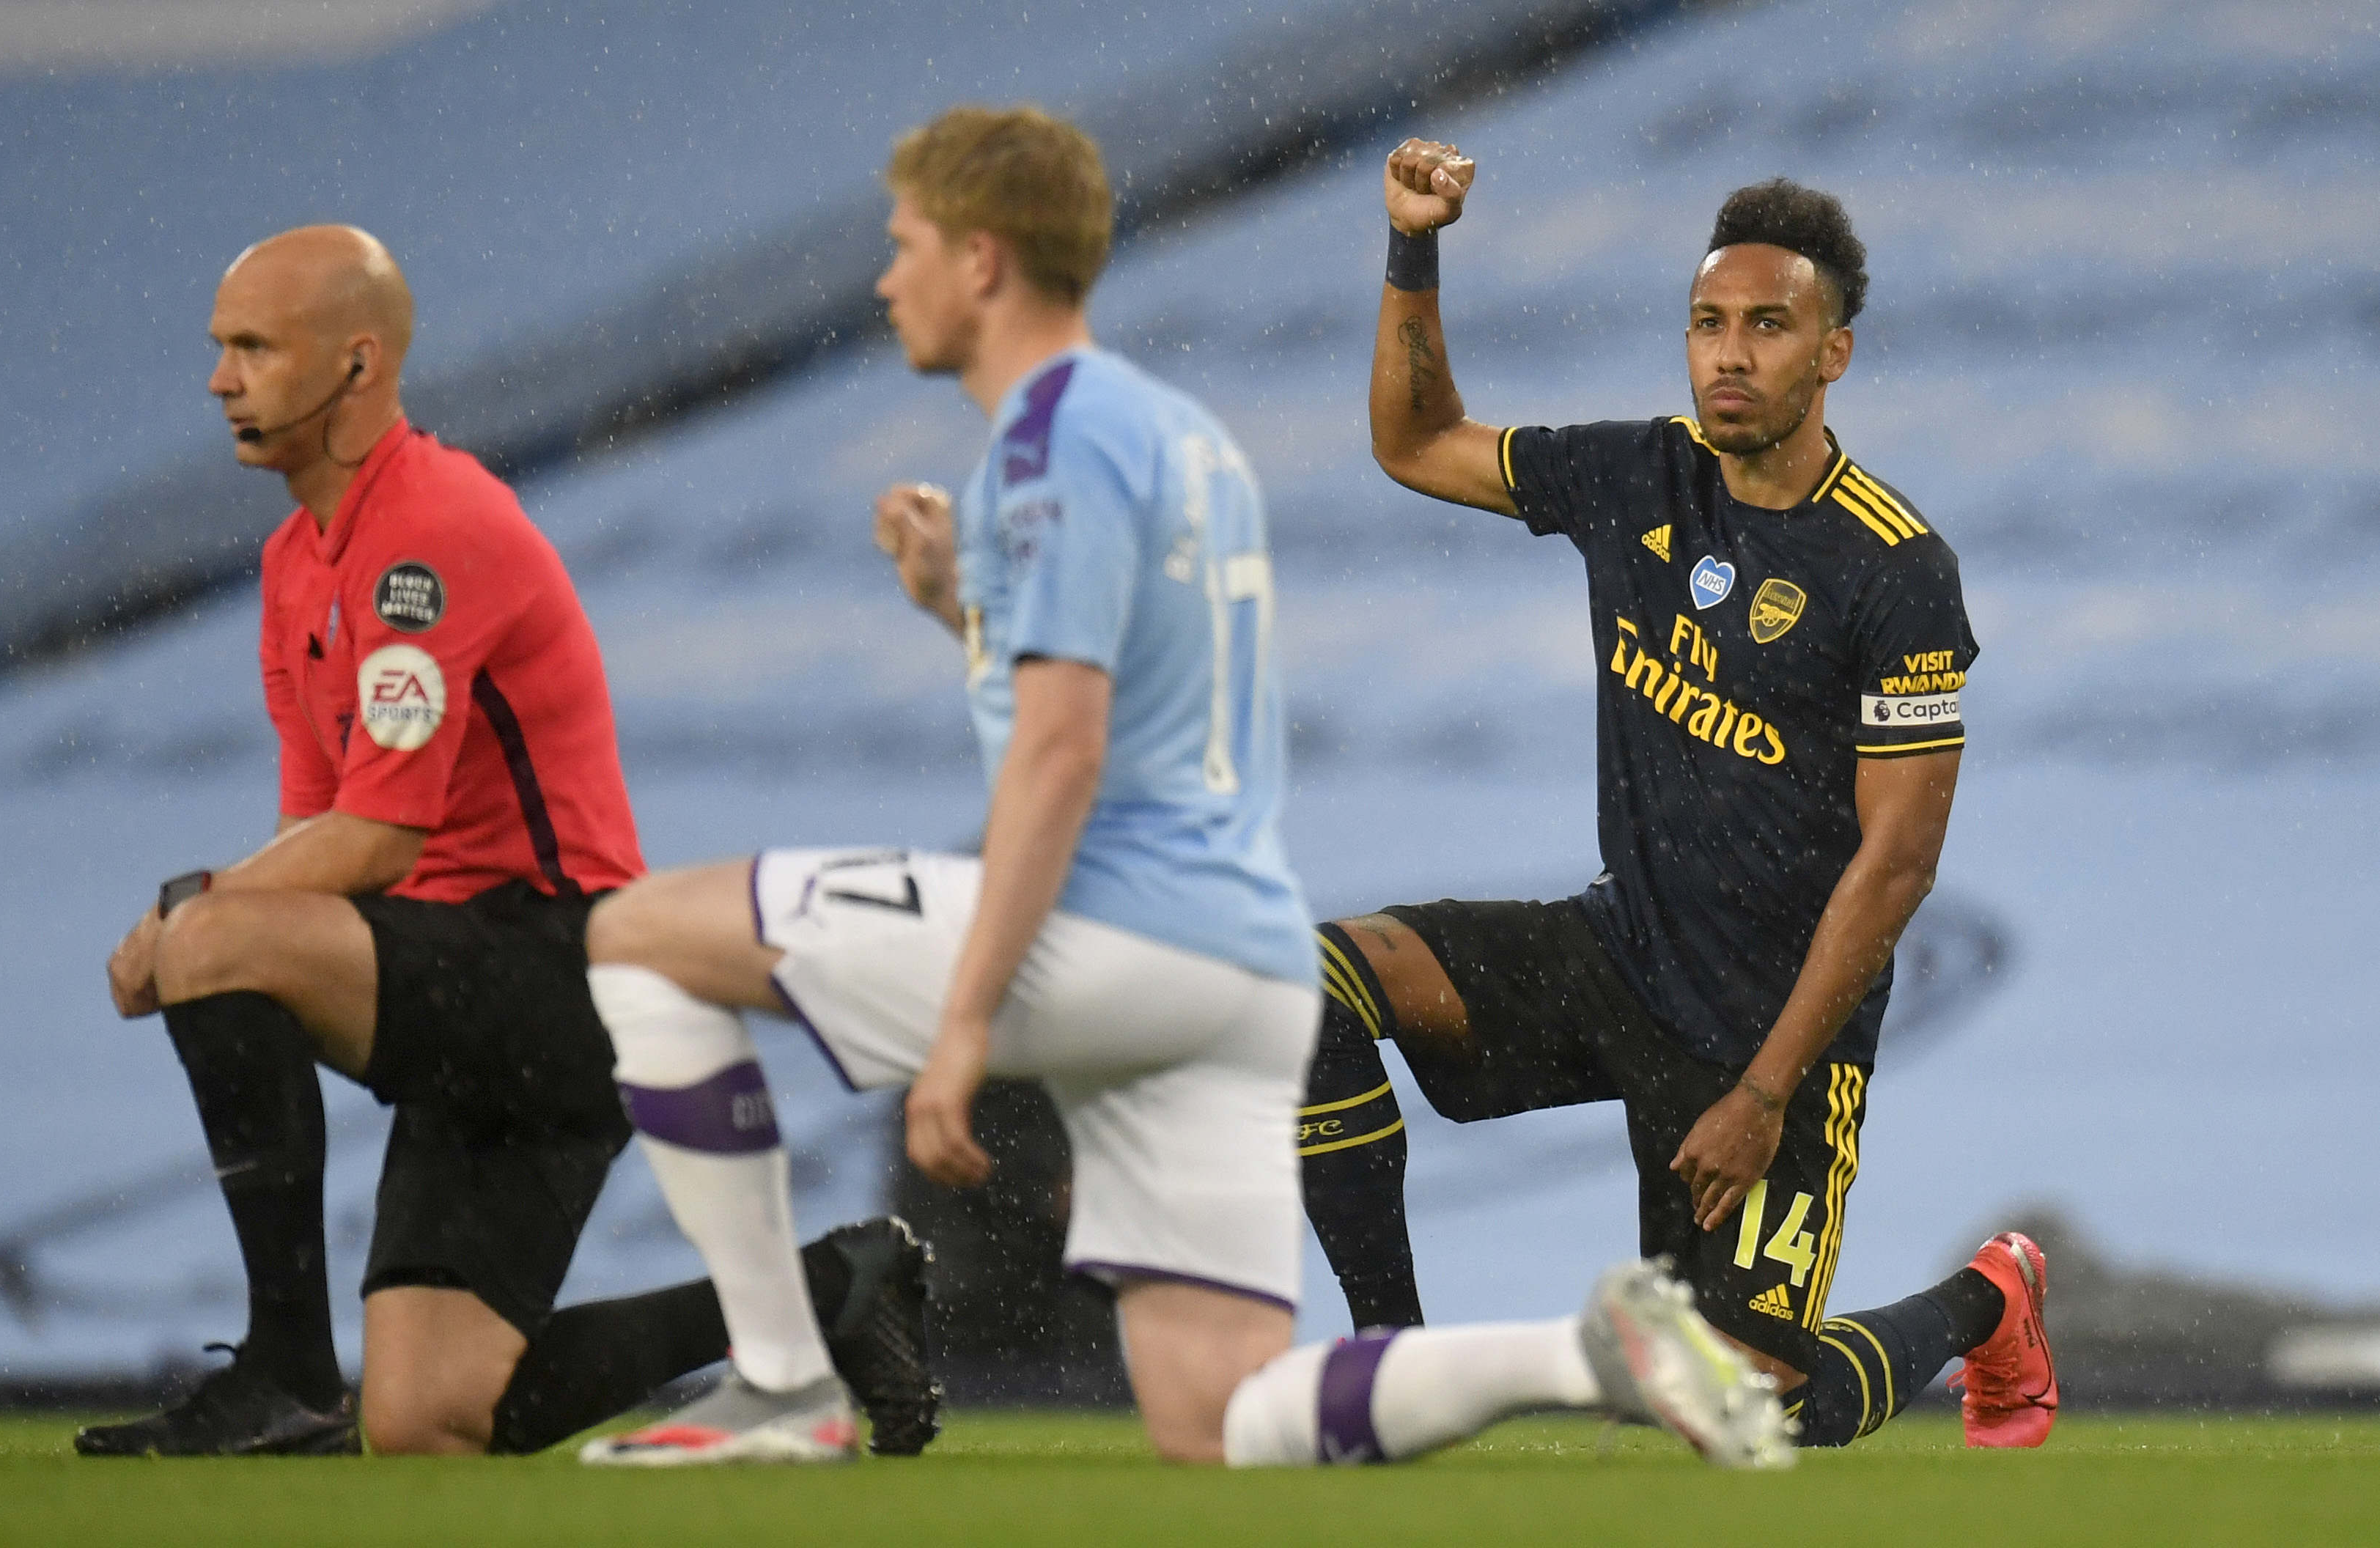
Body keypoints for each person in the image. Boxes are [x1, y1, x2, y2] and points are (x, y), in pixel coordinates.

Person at [575, 106, 1790, 1471]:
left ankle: (786, 1373)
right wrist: (960, 615)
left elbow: (1066, 750)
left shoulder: (1052, 438)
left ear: (981, 260)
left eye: (903, 244)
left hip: (1106, 932)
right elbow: (1127, 703)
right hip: (1231, 964)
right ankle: (1581, 1354)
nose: (882, 278)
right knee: (1218, 1420)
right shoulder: (1171, 437)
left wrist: (964, 1023)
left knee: (634, 937)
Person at [81, 226, 938, 1459]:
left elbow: (377, 837)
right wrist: (210, 920)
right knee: (430, 1420)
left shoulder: (426, 527)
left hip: (558, 967)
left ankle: (282, 1371)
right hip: (469, 993)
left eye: (255, 347)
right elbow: (314, 838)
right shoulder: (292, 564)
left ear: (358, 363)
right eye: (221, 348)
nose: (221, 379)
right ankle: (828, 1291)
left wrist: (184, 923)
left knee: (216, 940)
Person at [1291, 141, 2060, 1452]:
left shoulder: (1895, 567)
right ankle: (1391, 1378)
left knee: (1742, 1416)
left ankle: (1987, 1303)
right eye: (1707, 323)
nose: (1729, 354)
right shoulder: (1635, 476)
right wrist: (1413, 246)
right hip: (1619, 960)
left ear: (1834, 355)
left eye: (1769, 326)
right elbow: (1413, 442)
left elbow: (1896, 866)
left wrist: (1762, 1093)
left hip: (1779, 1038)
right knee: (1305, 983)